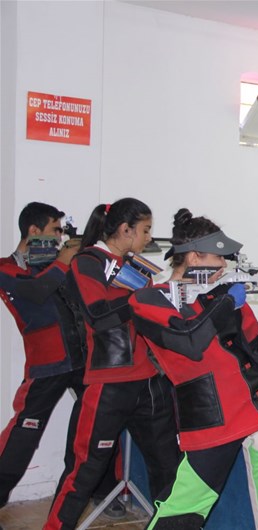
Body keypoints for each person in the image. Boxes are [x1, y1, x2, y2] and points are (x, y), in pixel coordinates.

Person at [128, 208, 258, 529]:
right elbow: (189, 342)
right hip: (211, 418)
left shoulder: (221, 295)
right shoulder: (149, 299)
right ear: (194, 257)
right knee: (182, 512)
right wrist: (227, 303)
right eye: (219, 257)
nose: (224, 266)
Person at [44, 198, 180, 530]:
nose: (149, 237)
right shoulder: (88, 261)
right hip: (109, 384)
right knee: (85, 471)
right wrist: (142, 298)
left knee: (170, 470)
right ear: (125, 229)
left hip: (151, 382)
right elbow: (99, 317)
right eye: (145, 230)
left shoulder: (137, 266)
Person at [0, 202, 124, 519]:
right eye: (55, 230)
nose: (59, 237)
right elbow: (34, 293)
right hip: (48, 364)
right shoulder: (7, 267)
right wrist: (62, 262)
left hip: (86, 360)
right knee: (23, 435)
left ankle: (104, 492)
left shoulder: (61, 264)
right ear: (34, 230)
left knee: (99, 426)